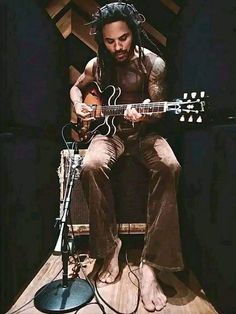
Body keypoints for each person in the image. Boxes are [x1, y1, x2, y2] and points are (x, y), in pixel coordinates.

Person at [70, 1, 184, 312]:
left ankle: (152, 264)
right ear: (102, 40)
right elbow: (76, 89)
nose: (117, 47)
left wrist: (143, 116)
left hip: (145, 134)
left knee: (169, 165)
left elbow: (159, 114)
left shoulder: (153, 64)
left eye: (123, 38)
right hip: (111, 134)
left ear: (132, 32)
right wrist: (79, 104)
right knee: (90, 164)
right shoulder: (98, 65)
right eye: (109, 41)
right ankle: (109, 248)